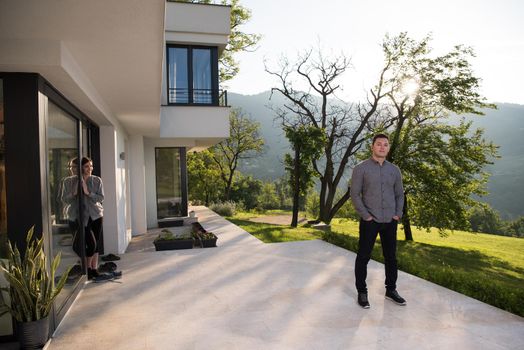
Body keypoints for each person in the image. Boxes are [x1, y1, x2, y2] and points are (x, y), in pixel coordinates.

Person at [350, 133, 406, 309]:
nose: (382, 147)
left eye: (385, 144)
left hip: (390, 220)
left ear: (388, 148)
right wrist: (366, 215)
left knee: (391, 258)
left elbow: (399, 194)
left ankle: (391, 290)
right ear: (372, 146)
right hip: (370, 220)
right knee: (363, 257)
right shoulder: (361, 168)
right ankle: (362, 292)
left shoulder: (394, 170)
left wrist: (397, 214)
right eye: (379, 144)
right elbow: (354, 194)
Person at [61, 157, 106, 280]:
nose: (89, 169)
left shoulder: (97, 180)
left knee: (95, 243)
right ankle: (86, 268)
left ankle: (93, 268)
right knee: (78, 245)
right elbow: (65, 199)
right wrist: (74, 193)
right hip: (76, 217)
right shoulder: (68, 182)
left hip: (95, 215)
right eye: (86, 166)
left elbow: (101, 198)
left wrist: (87, 192)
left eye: (90, 166)